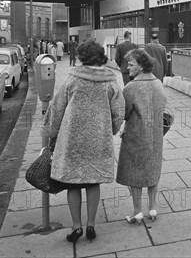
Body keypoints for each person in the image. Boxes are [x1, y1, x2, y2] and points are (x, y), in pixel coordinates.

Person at [42, 40, 125, 243]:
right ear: (101, 56)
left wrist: (50, 132)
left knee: (73, 183)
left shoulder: (72, 78)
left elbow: (57, 106)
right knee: (93, 181)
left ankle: (76, 226)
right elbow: (119, 109)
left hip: (72, 138)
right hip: (98, 137)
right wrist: (112, 128)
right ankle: (91, 225)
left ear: (81, 56)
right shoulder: (109, 80)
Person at [116, 49, 167, 224]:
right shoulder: (158, 83)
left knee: (134, 173)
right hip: (155, 135)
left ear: (141, 66)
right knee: (153, 170)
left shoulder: (131, 87)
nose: (126, 67)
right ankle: (152, 208)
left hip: (136, 135)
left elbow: (124, 113)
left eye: (131, 64)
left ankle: (137, 211)